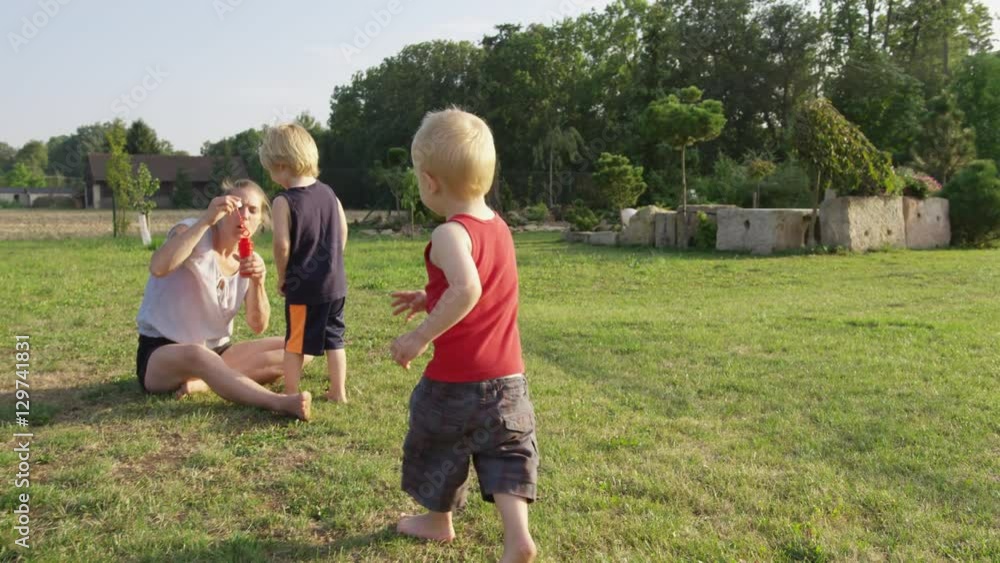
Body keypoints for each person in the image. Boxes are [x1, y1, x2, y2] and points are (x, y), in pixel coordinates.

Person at [389, 108, 538, 563]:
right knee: (506, 452)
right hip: (509, 381)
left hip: (455, 381)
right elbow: (481, 286)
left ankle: (438, 521)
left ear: (429, 182)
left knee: (437, 445)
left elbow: (468, 288)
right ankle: (517, 537)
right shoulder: (499, 227)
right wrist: (428, 296)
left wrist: (419, 336)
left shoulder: (449, 233)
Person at [135, 179, 312, 421]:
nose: (244, 215)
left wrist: (258, 282)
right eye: (236, 207)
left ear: (261, 220)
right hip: (162, 353)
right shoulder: (192, 231)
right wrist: (205, 220)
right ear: (221, 210)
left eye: (253, 210)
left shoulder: (249, 259)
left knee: (302, 346)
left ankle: (205, 382)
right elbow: (158, 266)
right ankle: (280, 403)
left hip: (218, 351)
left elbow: (257, 325)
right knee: (199, 355)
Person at [260, 123, 349, 402]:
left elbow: (282, 245)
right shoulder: (329, 193)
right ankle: (338, 391)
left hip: (304, 287)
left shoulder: (283, 201)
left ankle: (291, 392)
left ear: (281, 166)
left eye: (270, 170)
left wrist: (282, 276)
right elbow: (343, 230)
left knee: (295, 342)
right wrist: (333, 259)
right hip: (335, 284)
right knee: (335, 338)